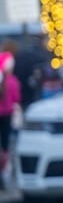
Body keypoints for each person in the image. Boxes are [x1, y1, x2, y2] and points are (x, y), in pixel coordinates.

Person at [0, 51, 21, 188]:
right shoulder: (12, 81)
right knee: (7, 144)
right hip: (7, 115)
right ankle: (5, 169)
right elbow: (16, 98)